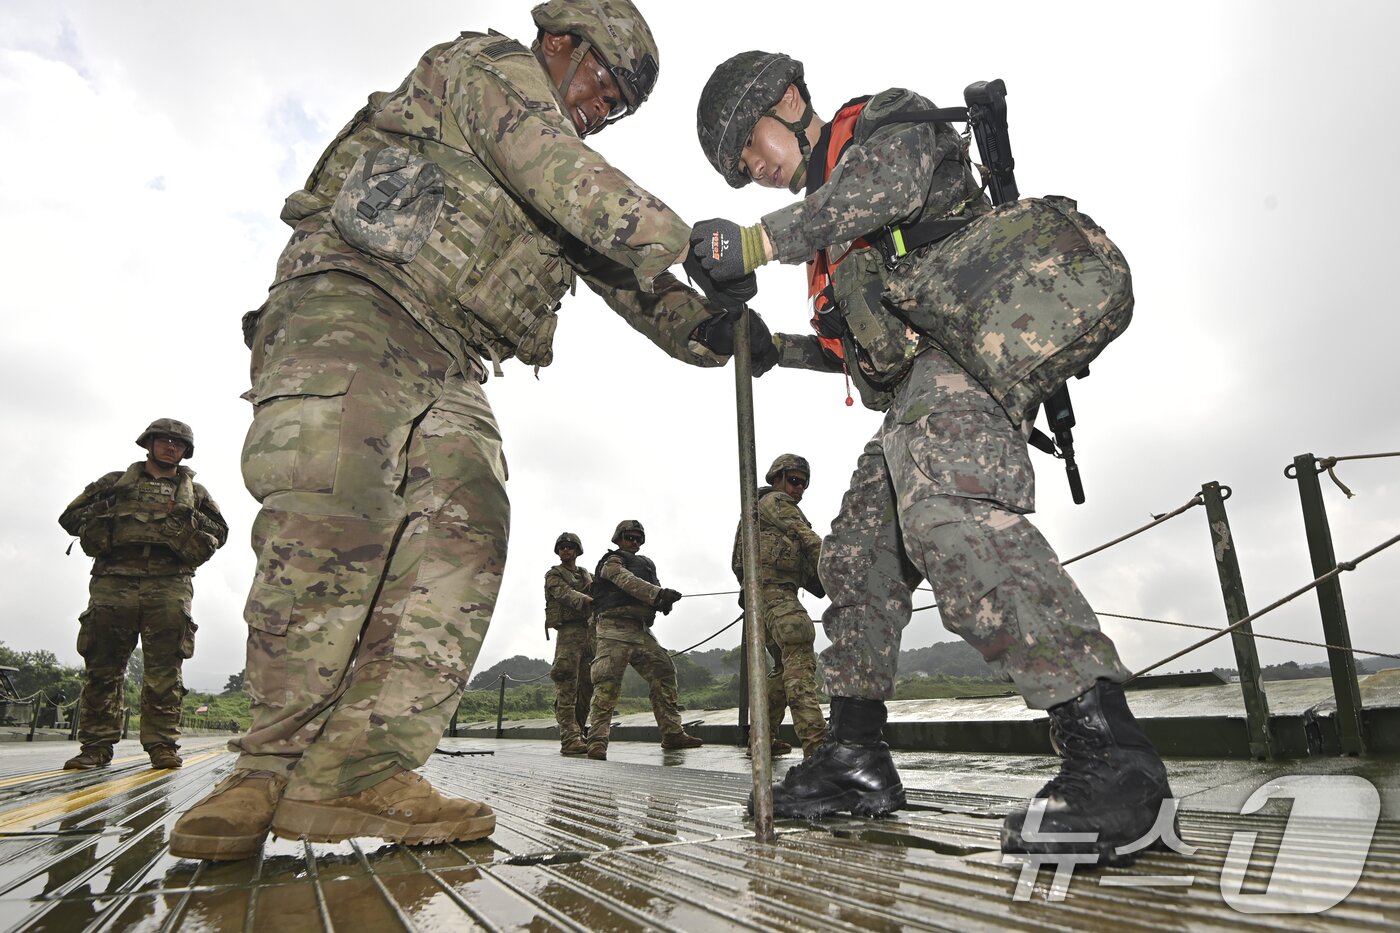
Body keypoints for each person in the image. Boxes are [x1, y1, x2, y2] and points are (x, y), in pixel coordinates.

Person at [169, 0, 774, 863]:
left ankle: (356, 770)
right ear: (561, 44)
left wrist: (728, 334)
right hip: (356, 297)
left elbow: (636, 285)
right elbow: (563, 173)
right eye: (606, 85)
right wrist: (697, 237)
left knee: (468, 516)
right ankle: (265, 767)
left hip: (450, 353)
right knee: (335, 513)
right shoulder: (486, 70)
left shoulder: (568, 167)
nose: (604, 112)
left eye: (621, 108)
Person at [689, 52, 1172, 865]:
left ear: (788, 99)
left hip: (964, 364)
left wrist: (753, 242)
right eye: (741, 169)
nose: (755, 168)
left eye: (750, 145)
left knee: (947, 515)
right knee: (855, 558)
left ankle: (1116, 761)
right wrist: (778, 348)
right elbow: (862, 354)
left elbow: (887, 192)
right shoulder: (829, 241)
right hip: (913, 388)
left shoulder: (882, 126)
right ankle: (855, 757)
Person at [58, 418, 228, 772]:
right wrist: (112, 511)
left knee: (165, 671)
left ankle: (162, 746)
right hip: (113, 580)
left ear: (185, 451)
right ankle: (96, 747)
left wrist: (185, 520)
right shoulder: (114, 484)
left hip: (169, 583)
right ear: (149, 444)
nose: (171, 447)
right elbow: (69, 518)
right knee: (103, 666)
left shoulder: (195, 494)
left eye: (178, 443)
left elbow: (220, 533)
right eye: (164, 440)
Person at [732, 454, 826, 757]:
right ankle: (818, 747)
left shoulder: (756, 512)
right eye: (794, 480)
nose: (799, 489)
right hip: (774, 594)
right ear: (777, 478)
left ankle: (762, 739)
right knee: (800, 657)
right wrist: (842, 572)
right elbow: (808, 539)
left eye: (804, 484)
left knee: (783, 668)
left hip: (759, 598)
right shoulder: (777, 502)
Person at [584, 520, 702, 760]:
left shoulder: (647, 565)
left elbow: (651, 590)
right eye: (629, 537)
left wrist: (662, 602)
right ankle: (596, 741)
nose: (634, 542)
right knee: (607, 684)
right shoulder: (612, 560)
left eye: (638, 538)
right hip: (613, 628)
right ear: (618, 538)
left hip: (640, 630)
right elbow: (621, 578)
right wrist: (657, 594)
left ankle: (672, 733)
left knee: (664, 671)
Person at [545, 531, 595, 755]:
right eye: (562, 547)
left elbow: (599, 590)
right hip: (568, 633)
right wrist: (586, 599)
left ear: (577, 550)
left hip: (589, 633)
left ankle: (579, 732)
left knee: (588, 685)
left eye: (570, 546)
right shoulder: (553, 575)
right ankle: (569, 738)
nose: (566, 549)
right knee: (567, 685)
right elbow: (564, 594)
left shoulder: (587, 575)